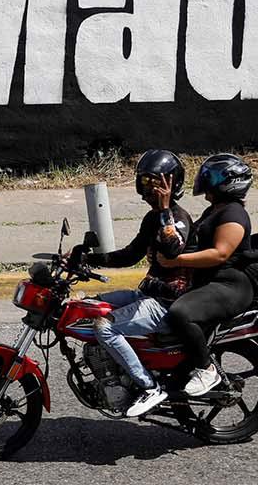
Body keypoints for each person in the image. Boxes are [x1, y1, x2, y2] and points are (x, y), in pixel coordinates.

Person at [83, 149, 194, 418]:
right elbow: (131, 254)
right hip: (148, 294)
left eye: (157, 182)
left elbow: (172, 250)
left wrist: (166, 209)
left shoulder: (177, 217)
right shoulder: (152, 218)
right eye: (146, 182)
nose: (150, 188)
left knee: (104, 327)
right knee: (88, 307)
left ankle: (149, 386)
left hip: (167, 304)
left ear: (172, 184)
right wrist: (87, 260)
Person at [164, 152, 256, 397]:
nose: (206, 179)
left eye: (213, 175)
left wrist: (177, 261)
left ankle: (206, 370)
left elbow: (219, 254)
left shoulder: (234, 214)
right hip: (211, 282)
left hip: (230, 286)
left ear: (230, 181)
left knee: (180, 313)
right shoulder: (215, 210)